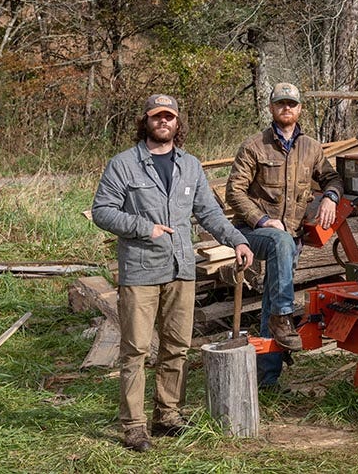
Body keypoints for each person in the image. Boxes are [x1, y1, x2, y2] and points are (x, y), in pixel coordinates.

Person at [92, 94, 254, 453]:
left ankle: (167, 415)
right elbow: (102, 210)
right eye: (156, 117)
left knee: (177, 347)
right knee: (135, 349)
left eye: (169, 117)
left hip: (181, 268)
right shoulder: (123, 165)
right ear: (146, 121)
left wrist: (237, 241)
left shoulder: (190, 166)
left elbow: (210, 213)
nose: (163, 122)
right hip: (140, 270)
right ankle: (134, 426)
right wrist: (142, 227)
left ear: (177, 123)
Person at [225, 81, 343, 388]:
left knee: (271, 297)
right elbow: (234, 191)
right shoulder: (254, 146)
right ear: (271, 108)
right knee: (278, 259)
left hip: (290, 240)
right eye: (280, 104)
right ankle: (283, 315)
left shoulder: (312, 148)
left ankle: (267, 379)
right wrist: (262, 220)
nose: (286, 108)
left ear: (300, 108)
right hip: (252, 233)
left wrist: (330, 196)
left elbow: (332, 177)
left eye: (291, 104)